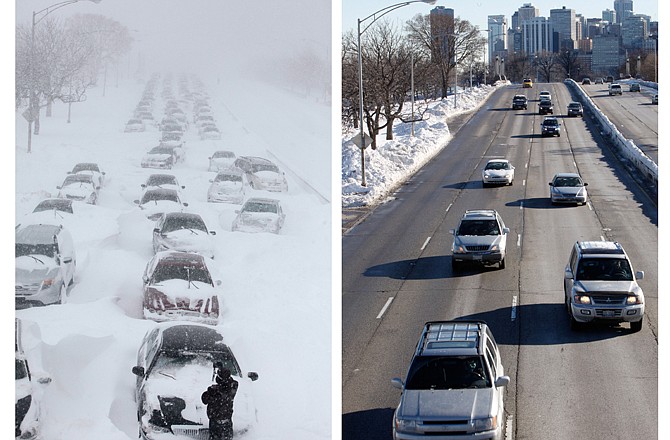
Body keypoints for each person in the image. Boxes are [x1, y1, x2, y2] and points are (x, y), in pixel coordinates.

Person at [201, 363, 238, 440]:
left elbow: (204, 400)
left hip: (216, 422)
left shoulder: (214, 391)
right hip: (227, 422)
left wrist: (211, 391)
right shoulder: (232, 387)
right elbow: (232, 383)